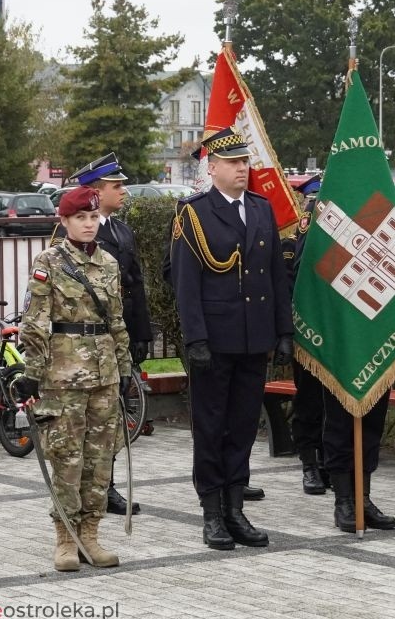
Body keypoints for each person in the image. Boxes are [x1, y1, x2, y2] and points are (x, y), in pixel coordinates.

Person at [169, 126, 292, 550]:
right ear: (214, 167)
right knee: (211, 427)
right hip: (215, 341)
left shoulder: (260, 209)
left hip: (253, 338)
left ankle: (236, 507)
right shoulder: (194, 213)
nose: (243, 169)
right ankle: (212, 512)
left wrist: (282, 331)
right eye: (235, 163)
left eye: (245, 162)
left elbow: (275, 274)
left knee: (242, 426)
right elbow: (186, 283)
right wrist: (195, 339)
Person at [17, 185, 131, 572]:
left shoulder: (110, 263)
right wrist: (33, 373)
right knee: (67, 456)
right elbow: (34, 322)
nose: (88, 224)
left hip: (104, 374)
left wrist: (125, 366)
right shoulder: (49, 261)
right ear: (64, 221)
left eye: (93, 217)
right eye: (80, 217)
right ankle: (65, 538)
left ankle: (91, 535)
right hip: (62, 373)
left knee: (100, 458)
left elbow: (116, 319)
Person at [284, 174, 395, 532]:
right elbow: (304, 278)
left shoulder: (377, 217)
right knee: (338, 423)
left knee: (372, 423)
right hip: (338, 339)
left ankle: (364, 496)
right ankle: (345, 500)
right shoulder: (319, 224)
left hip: (372, 334)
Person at [49, 152, 152, 516]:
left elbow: (133, 287)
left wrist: (140, 335)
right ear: (95, 190)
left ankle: (105, 485)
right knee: (81, 428)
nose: (123, 191)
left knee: (110, 419)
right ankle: (91, 490)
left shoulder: (121, 231)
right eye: (116, 185)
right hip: (78, 351)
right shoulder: (70, 236)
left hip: (112, 343)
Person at [282, 173, 328, 496]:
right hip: (309, 329)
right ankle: (310, 463)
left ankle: (328, 461)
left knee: (333, 402)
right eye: (311, 202)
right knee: (309, 400)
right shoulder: (294, 238)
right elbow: (293, 281)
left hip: (336, 330)